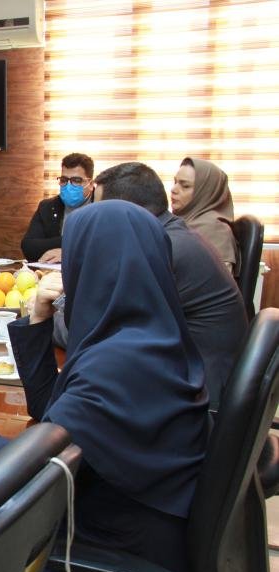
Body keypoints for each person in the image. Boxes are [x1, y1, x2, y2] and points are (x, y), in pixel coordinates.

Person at [0, 201, 209, 572]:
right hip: (141, 522)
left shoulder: (117, 366)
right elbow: (51, 418)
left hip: (111, 546)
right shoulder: (149, 334)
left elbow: (39, 470)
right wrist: (39, 318)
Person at [94, 162, 247, 409]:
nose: (92, 221)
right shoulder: (170, 233)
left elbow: (106, 328)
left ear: (124, 212)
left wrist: (44, 313)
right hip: (187, 375)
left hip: (197, 400)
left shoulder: (164, 249)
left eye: (97, 212)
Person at [21, 152, 95, 263]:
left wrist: (69, 253)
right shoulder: (47, 206)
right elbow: (29, 247)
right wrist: (72, 242)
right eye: (64, 180)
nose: (68, 186)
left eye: (76, 180)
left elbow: (107, 248)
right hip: (52, 271)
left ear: (90, 184)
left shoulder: (103, 207)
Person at [170, 156, 239, 274]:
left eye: (185, 186)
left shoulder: (215, 230)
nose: (174, 189)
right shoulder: (179, 221)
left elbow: (215, 282)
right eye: (175, 182)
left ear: (205, 192)